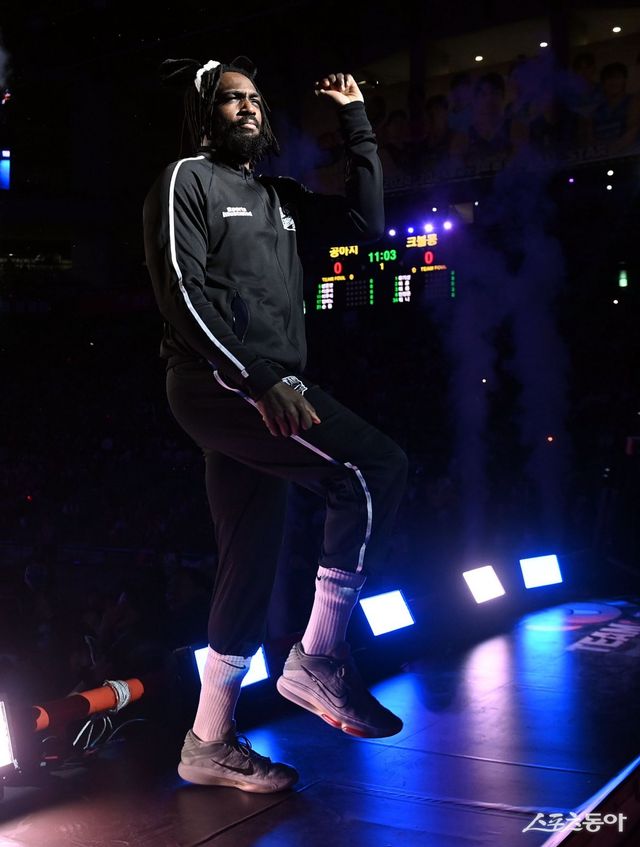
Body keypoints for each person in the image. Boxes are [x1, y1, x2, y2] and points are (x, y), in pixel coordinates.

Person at [142, 56, 408, 794]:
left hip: (261, 387)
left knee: (249, 562)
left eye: (256, 98)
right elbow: (180, 293)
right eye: (233, 99)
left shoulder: (278, 194)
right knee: (374, 466)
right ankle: (319, 658)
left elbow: (369, 224)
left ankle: (208, 740)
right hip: (220, 382)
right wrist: (257, 379)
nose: (249, 108)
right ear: (206, 113)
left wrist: (356, 123)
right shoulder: (186, 180)